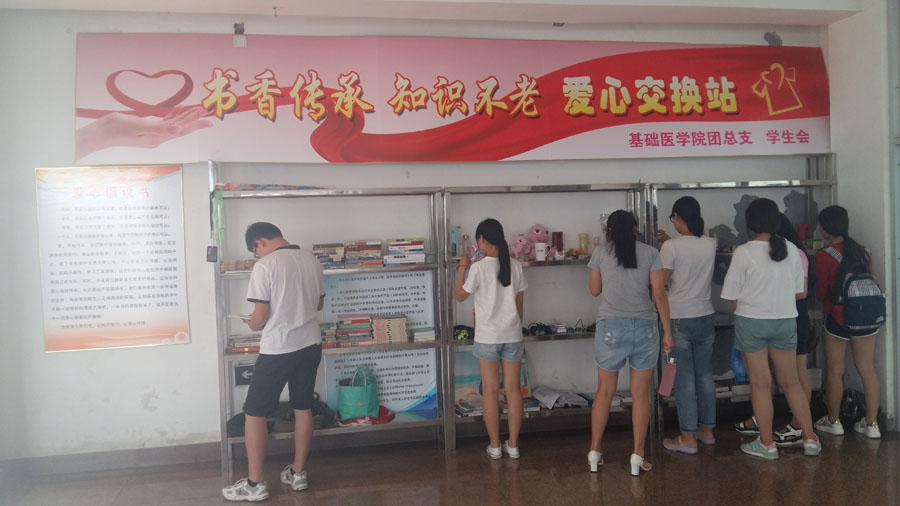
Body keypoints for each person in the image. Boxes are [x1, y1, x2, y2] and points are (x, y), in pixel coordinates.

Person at [222, 222, 326, 502]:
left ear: (259, 242)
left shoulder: (265, 266)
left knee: (254, 412)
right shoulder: (311, 259)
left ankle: (255, 484)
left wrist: (251, 323)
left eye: (255, 250)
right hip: (310, 344)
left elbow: (259, 318)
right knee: (303, 407)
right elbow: (319, 304)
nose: (257, 255)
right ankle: (298, 473)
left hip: (279, 348)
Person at [721, 199, 820, 459]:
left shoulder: (744, 252)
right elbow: (799, 292)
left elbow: (732, 296)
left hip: (752, 321)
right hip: (785, 321)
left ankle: (766, 444)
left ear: (750, 224)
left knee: (761, 384)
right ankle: (810, 439)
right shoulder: (791, 249)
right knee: (791, 382)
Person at [587, 210, 673, 476]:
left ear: (609, 230)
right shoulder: (651, 253)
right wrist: (668, 333)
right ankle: (637, 455)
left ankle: (594, 451)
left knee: (604, 392)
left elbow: (594, 290)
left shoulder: (601, 253)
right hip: (644, 327)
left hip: (610, 327)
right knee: (640, 395)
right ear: (636, 228)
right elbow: (659, 295)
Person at [456, 218, 528, 460]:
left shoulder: (478, 268)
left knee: (490, 391)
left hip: (488, 338)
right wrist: (513, 326)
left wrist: (462, 267)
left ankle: (495, 446)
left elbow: (459, 296)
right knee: (513, 391)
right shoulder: (516, 266)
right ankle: (514, 446)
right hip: (513, 335)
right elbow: (520, 306)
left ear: (482, 240)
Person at [813, 205, 882, 439]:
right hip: (866, 316)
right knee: (867, 369)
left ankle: (834, 422)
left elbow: (822, 291)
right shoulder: (865, 252)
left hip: (837, 317)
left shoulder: (824, 255)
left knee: (835, 370)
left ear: (824, 229)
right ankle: (872, 424)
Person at [656, 197, 717, 454]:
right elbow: (690, 252)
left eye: (673, 218)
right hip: (705, 316)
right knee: (704, 376)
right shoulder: (711, 243)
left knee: (683, 379)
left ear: (678, 217)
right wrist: (670, 240)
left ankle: (687, 438)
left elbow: (660, 284)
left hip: (678, 318)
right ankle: (707, 431)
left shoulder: (670, 247)